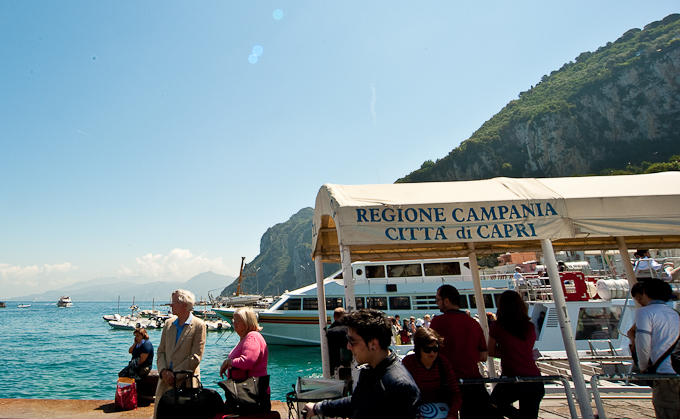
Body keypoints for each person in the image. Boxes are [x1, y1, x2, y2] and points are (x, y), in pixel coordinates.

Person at [303, 309, 421, 419]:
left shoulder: (400, 386)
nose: (348, 347)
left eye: (352, 341)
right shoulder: (371, 369)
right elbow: (358, 402)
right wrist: (318, 407)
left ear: (373, 344)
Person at [430, 284, 496, 419]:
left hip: (445, 383)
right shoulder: (473, 323)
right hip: (473, 382)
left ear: (446, 301)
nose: (437, 304)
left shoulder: (437, 322)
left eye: (438, 300)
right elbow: (483, 356)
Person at [488, 290, 545, 419]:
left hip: (513, 378)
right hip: (535, 379)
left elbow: (491, 351)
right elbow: (526, 349)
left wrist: (507, 353)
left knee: (492, 404)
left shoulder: (497, 326)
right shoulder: (529, 327)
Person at [154, 289, 207, 419]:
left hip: (186, 382)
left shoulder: (199, 325)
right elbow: (161, 351)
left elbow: (195, 357)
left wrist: (175, 374)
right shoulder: (168, 324)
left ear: (185, 305)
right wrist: (163, 372)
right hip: (165, 381)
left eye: (174, 302)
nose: (171, 305)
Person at [634, 278, 680, 418]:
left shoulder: (645, 312)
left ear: (646, 293)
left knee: (665, 411)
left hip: (663, 373)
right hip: (677, 369)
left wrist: (643, 367)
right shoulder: (674, 313)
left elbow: (642, 344)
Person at [402, 328, 462, 419]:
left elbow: (456, 394)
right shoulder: (409, 363)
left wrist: (452, 415)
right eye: (427, 349)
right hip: (415, 411)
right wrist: (416, 415)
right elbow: (403, 396)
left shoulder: (443, 364)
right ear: (419, 349)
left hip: (442, 412)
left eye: (435, 349)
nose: (432, 353)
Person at [219, 306, 271, 411]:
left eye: (238, 321)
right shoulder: (247, 337)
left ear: (247, 323)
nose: (234, 323)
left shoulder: (252, 337)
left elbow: (247, 361)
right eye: (234, 321)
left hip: (249, 394)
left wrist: (229, 362)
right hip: (246, 393)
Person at [326, 307, 350, 375]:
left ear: (334, 317)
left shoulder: (330, 331)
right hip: (349, 363)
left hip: (334, 365)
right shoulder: (350, 329)